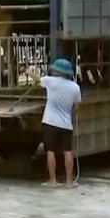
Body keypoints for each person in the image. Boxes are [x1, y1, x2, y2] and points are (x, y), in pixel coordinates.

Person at [24, 59, 81, 188]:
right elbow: (76, 108)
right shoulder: (75, 87)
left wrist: (29, 71)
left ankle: (53, 181)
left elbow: (37, 79)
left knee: (50, 151)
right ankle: (69, 182)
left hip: (50, 122)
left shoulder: (50, 81)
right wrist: (70, 118)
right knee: (68, 152)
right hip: (66, 124)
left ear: (58, 71)